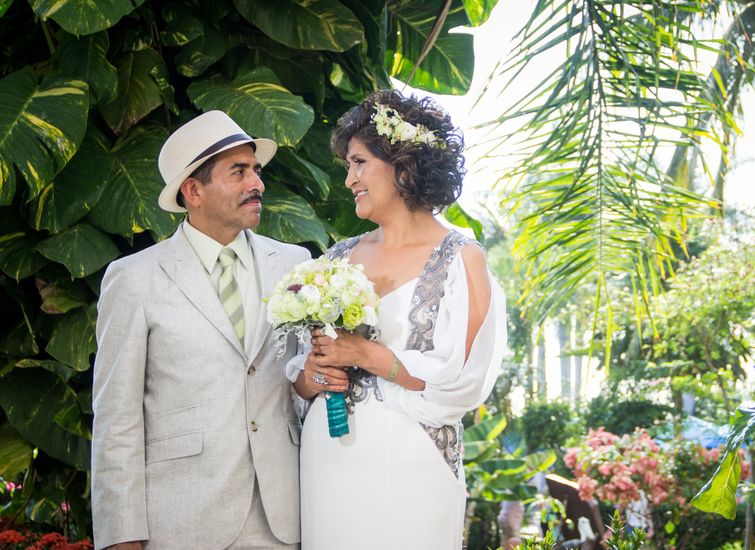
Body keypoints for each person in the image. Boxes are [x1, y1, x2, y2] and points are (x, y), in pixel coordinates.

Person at [288, 90, 507, 549]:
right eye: (348, 166)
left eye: (359, 162)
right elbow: (296, 378)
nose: (349, 179)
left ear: (402, 163)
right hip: (328, 460)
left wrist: (365, 354)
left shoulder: (461, 261)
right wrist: (314, 374)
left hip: (413, 464)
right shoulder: (337, 258)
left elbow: (463, 382)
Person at [91, 111, 310, 549]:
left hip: (285, 519)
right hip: (182, 521)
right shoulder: (134, 279)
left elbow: (303, 378)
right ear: (193, 190)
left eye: (256, 170)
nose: (258, 184)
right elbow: (117, 421)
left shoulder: (294, 265)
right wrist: (121, 538)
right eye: (239, 172)